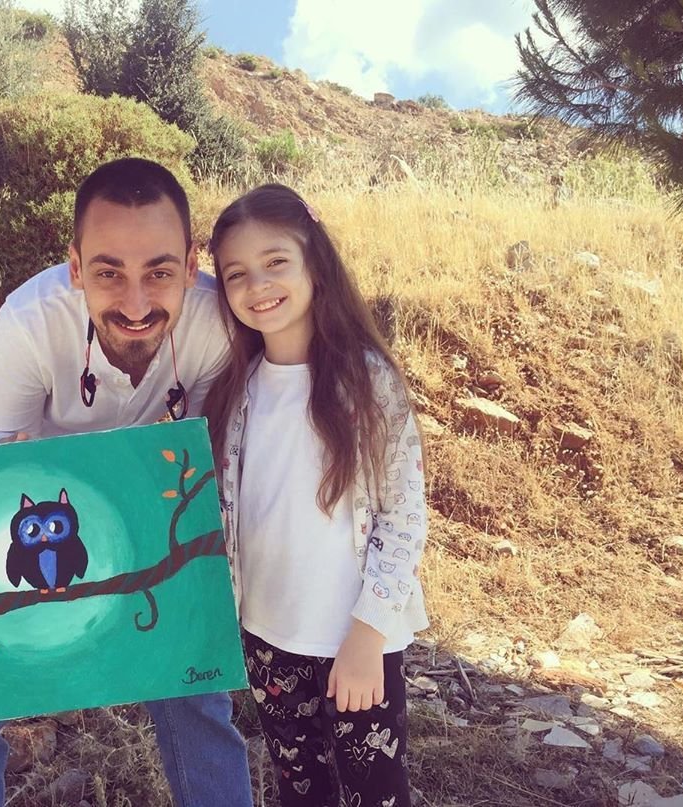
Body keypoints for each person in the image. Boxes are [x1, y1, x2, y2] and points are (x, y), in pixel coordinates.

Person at [0, 157, 254, 807]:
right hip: (8, 456)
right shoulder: (30, 321)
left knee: (190, 660)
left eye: (159, 272)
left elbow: (201, 470)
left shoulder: (218, 324)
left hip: (138, 460)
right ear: (75, 268)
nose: (136, 304)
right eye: (108, 273)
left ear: (191, 266)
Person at [203, 184, 428, 807]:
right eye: (235, 273)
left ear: (315, 264)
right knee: (300, 790)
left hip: (355, 642)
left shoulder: (367, 381)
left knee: (375, 794)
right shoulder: (236, 389)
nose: (257, 285)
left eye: (275, 261)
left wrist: (368, 636)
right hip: (267, 641)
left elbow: (403, 515)